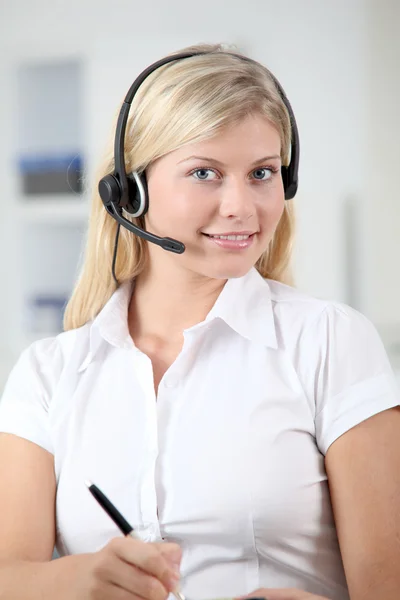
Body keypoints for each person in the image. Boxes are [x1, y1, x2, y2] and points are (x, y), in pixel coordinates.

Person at [0, 43, 399, 600]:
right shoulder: (48, 375)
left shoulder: (330, 343)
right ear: (129, 192)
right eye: (205, 172)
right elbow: (8, 575)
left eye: (262, 173)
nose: (241, 205)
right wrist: (74, 579)